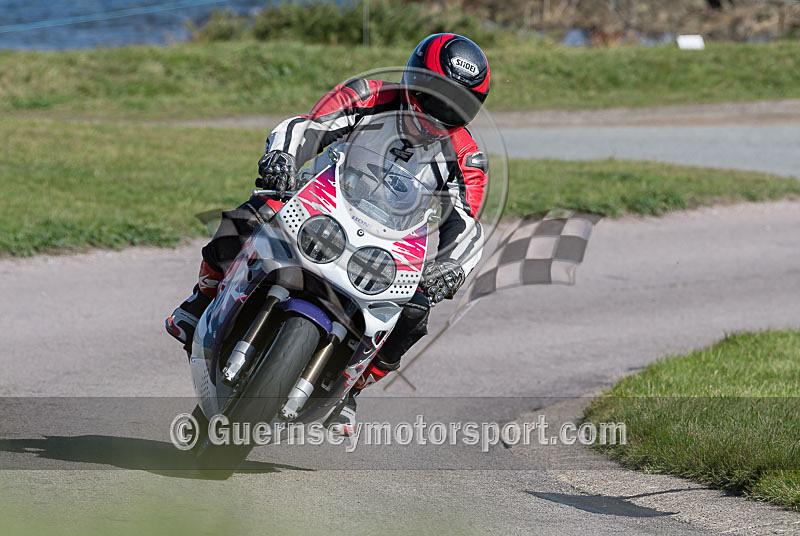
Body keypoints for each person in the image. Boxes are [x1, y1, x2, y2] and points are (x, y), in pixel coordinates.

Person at [166, 33, 491, 431]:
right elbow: (308, 128)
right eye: (436, 95)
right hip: (326, 203)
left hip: (392, 242)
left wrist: (451, 266)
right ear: (413, 78)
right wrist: (282, 157)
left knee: (416, 309)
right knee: (248, 216)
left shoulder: (467, 157)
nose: (441, 112)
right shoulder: (368, 95)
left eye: (458, 105)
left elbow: (466, 223)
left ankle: (352, 389)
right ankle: (200, 301)